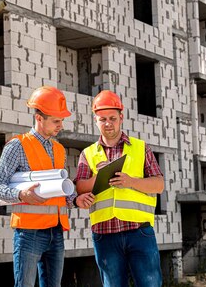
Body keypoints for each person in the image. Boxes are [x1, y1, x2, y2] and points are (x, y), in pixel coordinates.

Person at [0, 85, 95, 287]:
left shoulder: (59, 149)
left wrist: (76, 200)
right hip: (29, 233)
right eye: (56, 121)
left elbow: (59, 192)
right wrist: (20, 194)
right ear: (39, 118)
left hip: (56, 232)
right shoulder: (17, 146)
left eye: (61, 120)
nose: (60, 126)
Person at [75, 90, 165, 287]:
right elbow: (79, 187)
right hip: (104, 234)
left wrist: (131, 181)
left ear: (121, 118)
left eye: (113, 118)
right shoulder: (88, 153)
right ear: (96, 121)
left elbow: (159, 184)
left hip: (138, 231)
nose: (108, 123)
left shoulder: (141, 148)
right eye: (103, 119)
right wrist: (98, 178)